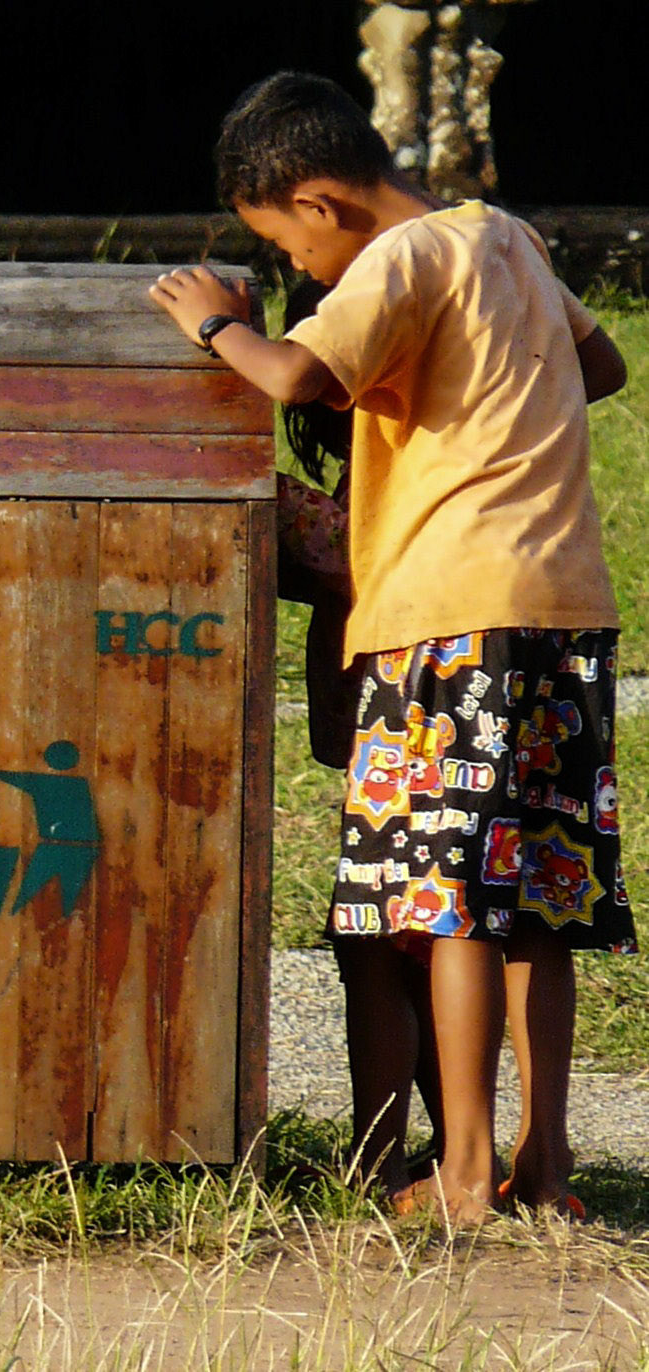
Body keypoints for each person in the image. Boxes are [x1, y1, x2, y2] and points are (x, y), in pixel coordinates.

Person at [149, 71, 633, 1220]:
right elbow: (603, 366)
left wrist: (216, 322)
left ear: (316, 201)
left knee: (443, 899)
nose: (302, 276)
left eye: (287, 247)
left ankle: (462, 1175)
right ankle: (543, 1165)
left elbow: (299, 374)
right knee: (536, 901)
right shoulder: (502, 238)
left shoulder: (396, 260)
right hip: (562, 604)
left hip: (449, 614)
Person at [276, 280, 446, 1194]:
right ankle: (437, 1150)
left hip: (408, 727)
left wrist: (250, 495)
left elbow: (345, 554)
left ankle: (387, 1159)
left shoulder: (398, 462)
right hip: (407, 728)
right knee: (399, 944)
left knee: (381, 939)